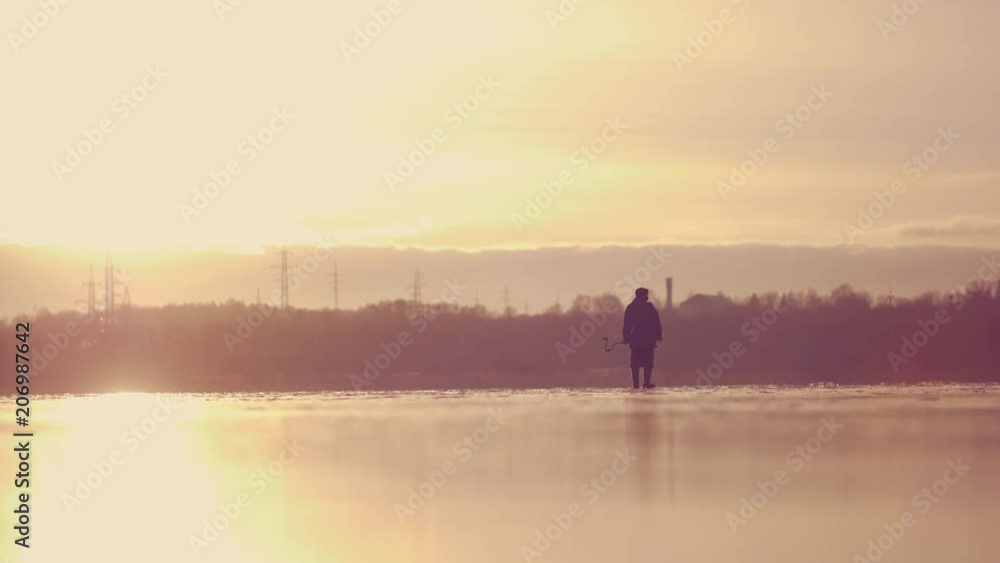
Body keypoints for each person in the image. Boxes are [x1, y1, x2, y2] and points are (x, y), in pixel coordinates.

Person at [622, 287, 662, 389]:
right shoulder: (650, 308)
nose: (647, 297)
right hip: (648, 342)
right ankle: (646, 383)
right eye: (646, 295)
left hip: (636, 342)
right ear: (642, 296)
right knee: (648, 363)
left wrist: (626, 337)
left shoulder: (630, 308)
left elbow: (626, 325)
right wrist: (659, 335)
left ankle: (636, 384)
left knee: (635, 364)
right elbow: (657, 323)